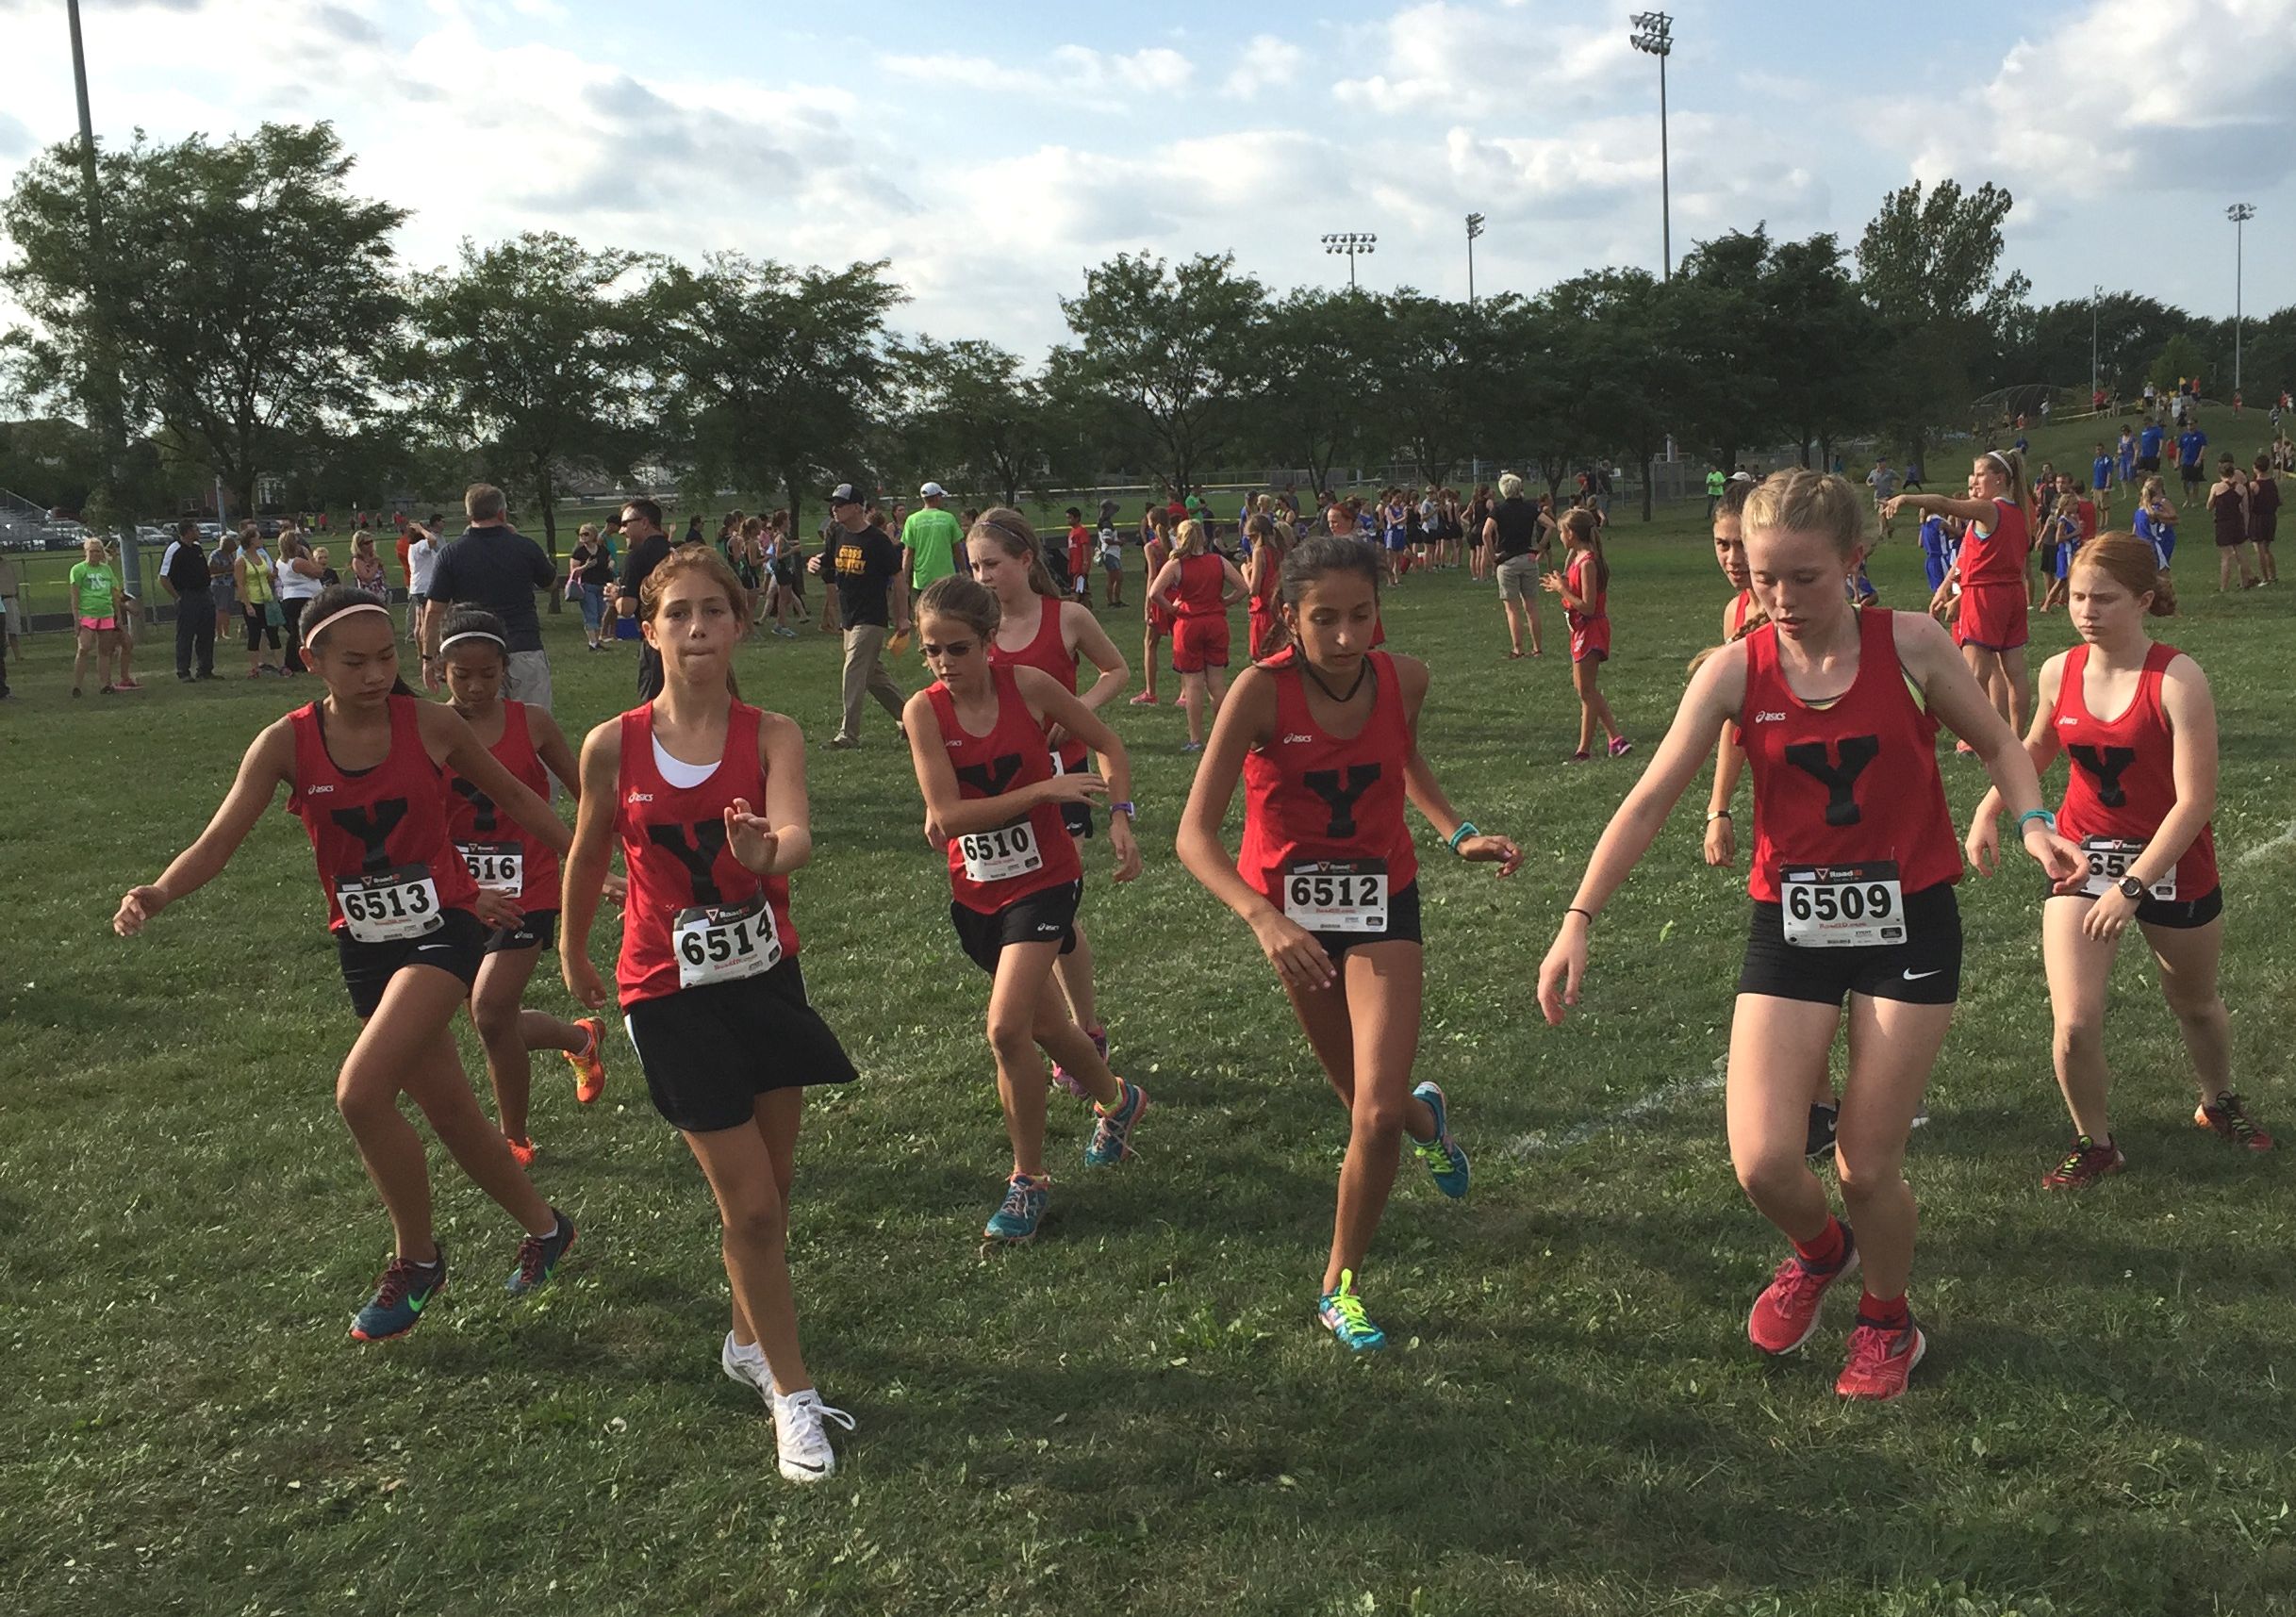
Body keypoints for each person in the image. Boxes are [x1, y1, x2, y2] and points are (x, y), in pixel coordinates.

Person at [1536, 470, 2084, 1401]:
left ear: (1851, 562)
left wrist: (2029, 821)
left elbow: (1999, 742)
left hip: (1907, 919)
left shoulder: (1908, 642)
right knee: (1759, 1159)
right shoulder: (1731, 670)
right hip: (1791, 924)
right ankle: (1819, 1249)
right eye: (1762, 578)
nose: (1780, 600)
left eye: (1803, 577)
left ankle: (1885, 1316)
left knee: (1864, 1165)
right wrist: (1575, 918)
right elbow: (1646, 800)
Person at [112, 585, 577, 1342]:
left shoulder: (428, 724)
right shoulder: (285, 742)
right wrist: (159, 891)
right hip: (364, 942)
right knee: (451, 1110)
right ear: (312, 661)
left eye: (387, 656)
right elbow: (220, 836)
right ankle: (547, 1226)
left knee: (361, 1093)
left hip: (443, 925)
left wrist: (588, 863)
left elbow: (522, 800)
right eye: (354, 661)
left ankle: (417, 1259)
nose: (373, 674)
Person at [1177, 534, 1522, 1351]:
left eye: (1359, 615)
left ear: (1379, 610)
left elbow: (1403, 757)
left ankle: (1339, 1284)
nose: (1342, 637)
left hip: (1383, 903)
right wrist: (1262, 918)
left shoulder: (1405, 677)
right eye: (1322, 618)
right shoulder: (1259, 694)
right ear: (1287, 617)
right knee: (1364, 1100)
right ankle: (1427, 1121)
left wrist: (1455, 831)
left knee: (1369, 1112)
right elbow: (1193, 836)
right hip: (1294, 921)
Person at [560, 547, 859, 1482]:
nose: (696, 629)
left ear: (738, 625)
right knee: (756, 1209)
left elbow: (797, 831)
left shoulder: (771, 734)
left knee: (773, 1188)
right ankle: (792, 1395)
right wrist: (571, 948)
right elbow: (581, 852)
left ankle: (744, 1337)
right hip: (666, 989)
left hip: (766, 979)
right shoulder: (612, 742)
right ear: (646, 629)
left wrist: (769, 852)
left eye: (714, 612)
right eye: (677, 613)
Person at [1965, 534, 2270, 1189]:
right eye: (2076, 596)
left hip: (2173, 859)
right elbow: (2038, 744)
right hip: (2082, 857)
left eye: (2102, 598)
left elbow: (2194, 802)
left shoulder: (2177, 678)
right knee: (2073, 1021)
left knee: (2193, 1002)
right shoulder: (2057, 670)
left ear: (2142, 598)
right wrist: (1991, 807)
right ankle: (2095, 1142)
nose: (2085, 610)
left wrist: (2132, 886)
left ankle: (2217, 1101)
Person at [900, 573, 1148, 1246]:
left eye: (957, 648)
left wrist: (1121, 816)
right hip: (976, 888)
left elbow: (1109, 745)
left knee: (1006, 1029)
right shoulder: (923, 712)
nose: (945, 664)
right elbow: (949, 816)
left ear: (988, 641)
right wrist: (1041, 790)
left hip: (1046, 879)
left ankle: (1027, 1180)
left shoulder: (1030, 687)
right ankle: (1119, 1101)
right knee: (1045, 1027)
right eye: (931, 651)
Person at [436, 609, 609, 1165]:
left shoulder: (531, 722)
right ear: (441, 672)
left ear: (506, 669)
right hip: (461, 895)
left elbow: (588, 796)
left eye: (488, 672)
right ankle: (580, 1040)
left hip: (528, 885)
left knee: (488, 1012)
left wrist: (604, 860)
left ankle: (512, 1139)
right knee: (497, 1023)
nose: (477, 685)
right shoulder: (427, 730)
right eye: (463, 674)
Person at [972, 508, 1132, 1089]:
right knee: (1032, 913)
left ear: (1025, 560)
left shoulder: (1067, 617)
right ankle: (1058, 1025)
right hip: (1001, 791)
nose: (983, 575)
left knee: (1054, 914)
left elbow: (1117, 670)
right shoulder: (975, 628)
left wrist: (1079, 708)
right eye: (974, 566)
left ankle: (1083, 1031)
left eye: (992, 563)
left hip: (1062, 778)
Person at [1890, 450, 2032, 738]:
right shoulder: (2019, 511)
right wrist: (1946, 588)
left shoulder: (1989, 509)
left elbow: (1943, 503)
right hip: (2012, 594)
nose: (1974, 480)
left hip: (1985, 595)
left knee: (1974, 674)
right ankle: (2017, 737)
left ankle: (1978, 736)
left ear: (1999, 479)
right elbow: (1969, 554)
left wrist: (1906, 499)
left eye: (1980, 474)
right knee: (2014, 671)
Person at [420, 486, 557, 710]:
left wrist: (428, 658)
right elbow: (551, 583)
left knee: (481, 731)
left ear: (469, 515)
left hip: (475, 656)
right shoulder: (525, 547)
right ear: (502, 513)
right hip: (524, 647)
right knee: (533, 729)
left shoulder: (451, 554)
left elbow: (434, 611)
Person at [817, 483, 908, 749]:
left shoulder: (877, 540)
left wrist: (902, 617)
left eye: (840, 504)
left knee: (854, 669)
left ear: (857, 507)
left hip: (871, 617)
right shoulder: (837, 533)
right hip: (849, 615)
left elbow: (898, 579)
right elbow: (829, 563)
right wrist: (816, 564)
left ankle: (848, 734)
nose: (835, 509)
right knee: (872, 676)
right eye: (833, 504)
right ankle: (911, 718)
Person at [1151, 518, 1247, 753]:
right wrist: (1225, 601)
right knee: (1217, 683)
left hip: (1189, 624)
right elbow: (1244, 587)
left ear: (1181, 538)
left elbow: (1155, 592)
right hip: (1215, 622)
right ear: (1202, 538)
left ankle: (1196, 739)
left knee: (1193, 685)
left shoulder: (1176, 565)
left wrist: (1172, 608)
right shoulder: (1218, 561)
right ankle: (1224, 735)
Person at [1544, 508, 1628, 761]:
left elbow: (1588, 606)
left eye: (1561, 531)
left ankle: (1585, 749)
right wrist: (1563, 583)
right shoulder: (1578, 558)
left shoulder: (1588, 562)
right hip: (1580, 628)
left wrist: (1562, 590)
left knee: (1586, 690)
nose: (1559, 536)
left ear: (1571, 533)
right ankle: (1615, 739)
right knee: (1584, 689)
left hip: (1591, 629)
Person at [617, 498, 675, 697]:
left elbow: (626, 608)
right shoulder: (678, 553)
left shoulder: (636, 557)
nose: (621, 530)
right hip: (686, 639)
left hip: (656, 643)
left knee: (654, 709)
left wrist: (617, 595)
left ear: (644, 523)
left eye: (625, 524)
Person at [1487, 471, 1545, 659]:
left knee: (1512, 609)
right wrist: (1540, 547)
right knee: (1531, 607)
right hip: (1528, 559)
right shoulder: (1529, 508)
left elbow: (1485, 533)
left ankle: (1518, 649)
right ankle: (1537, 648)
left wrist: (1492, 557)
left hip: (1508, 561)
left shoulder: (1499, 510)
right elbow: (1551, 524)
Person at [1129, 507, 1174, 708]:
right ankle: (1184, 693)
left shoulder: (1151, 547)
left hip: (1159, 595)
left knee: (1150, 643)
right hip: (1176, 595)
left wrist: (1148, 604)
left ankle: (1151, 692)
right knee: (1180, 643)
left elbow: (1152, 577)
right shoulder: (1176, 542)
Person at [160, 520, 216, 682]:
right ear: (187, 531)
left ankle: (205, 669)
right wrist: (178, 597)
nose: (198, 532)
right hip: (187, 595)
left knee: (206, 633)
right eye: (196, 529)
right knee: (186, 635)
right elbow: (163, 577)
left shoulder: (197, 548)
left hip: (204, 594)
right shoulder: (175, 549)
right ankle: (183, 671)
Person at [68, 536, 124, 697]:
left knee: (105, 651)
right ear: (86, 552)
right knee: (84, 648)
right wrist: (76, 618)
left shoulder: (106, 570)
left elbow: (114, 594)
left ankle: (105, 684)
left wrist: (118, 615)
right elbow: (75, 596)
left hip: (106, 613)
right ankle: (77, 685)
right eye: (91, 551)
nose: (95, 554)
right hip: (87, 613)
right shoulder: (78, 570)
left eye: (98, 551)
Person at [900, 482, 965, 600]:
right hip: (946, 577)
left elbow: (908, 553)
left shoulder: (912, 520)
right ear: (937, 497)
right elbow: (957, 550)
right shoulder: (948, 518)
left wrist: (904, 578)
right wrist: (964, 570)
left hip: (922, 578)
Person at [274, 528, 325, 675]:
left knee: (295, 632)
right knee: (301, 633)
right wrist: (309, 555)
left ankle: (293, 662)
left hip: (289, 597)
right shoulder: (296, 562)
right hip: (302, 597)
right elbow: (318, 572)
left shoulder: (280, 562)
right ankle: (295, 662)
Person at [235, 523, 283, 678]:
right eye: (258, 537)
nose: (261, 540)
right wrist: (247, 605)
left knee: (273, 633)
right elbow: (240, 584)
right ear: (250, 541)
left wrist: (274, 572)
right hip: (253, 600)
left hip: (267, 599)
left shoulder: (262, 557)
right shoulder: (241, 561)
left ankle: (281, 666)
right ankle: (254, 668)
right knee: (254, 635)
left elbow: (268, 576)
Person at [2206, 458, 2260, 593]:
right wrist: (2246, 526)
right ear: (2233, 473)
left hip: (2223, 523)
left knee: (2226, 556)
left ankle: (2223, 587)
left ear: (2221, 474)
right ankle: (2245, 581)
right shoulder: (2241, 488)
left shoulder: (2216, 487)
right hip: (2237, 522)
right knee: (2241, 553)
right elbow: (2246, 509)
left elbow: (2209, 506)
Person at [1244, 512, 1291, 662]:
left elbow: (1254, 589)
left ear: (1257, 535)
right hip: (1279, 611)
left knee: (1261, 660)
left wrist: (1245, 571)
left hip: (1263, 613)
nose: (1250, 542)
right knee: (1281, 658)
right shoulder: (1281, 551)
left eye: (1250, 537)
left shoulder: (1260, 552)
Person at [570, 523, 612, 650]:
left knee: (600, 614)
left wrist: (612, 563)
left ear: (593, 535)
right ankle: (592, 643)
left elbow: (609, 559)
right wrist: (586, 566)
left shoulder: (602, 549)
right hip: (587, 586)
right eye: (580, 534)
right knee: (591, 614)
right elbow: (573, 571)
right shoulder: (579, 552)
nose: (582, 536)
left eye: (586, 534)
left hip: (601, 585)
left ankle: (598, 642)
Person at [2250, 452, 2281, 586]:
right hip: (2271, 518)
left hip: (2259, 518)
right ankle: (2273, 576)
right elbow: (2279, 500)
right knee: (2267, 549)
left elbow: (2249, 502)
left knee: (2259, 549)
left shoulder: (2254, 485)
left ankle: (2265, 578)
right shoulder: (2272, 483)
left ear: (2256, 468)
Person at [2176, 416, 2209, 502]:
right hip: (2186, 461)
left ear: (2195, 424)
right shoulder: (2184, 436)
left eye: (2191, 424)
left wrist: (2199, 459)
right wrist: (2177, 461)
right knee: (2184, 482)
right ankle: (2188, 498)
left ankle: (2195, 499)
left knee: (2195, 481)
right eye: (2188, 424)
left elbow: (2203, 447)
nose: (2189, 426)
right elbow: (2180, 448)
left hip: (2195, 461)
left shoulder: (2200, 435)